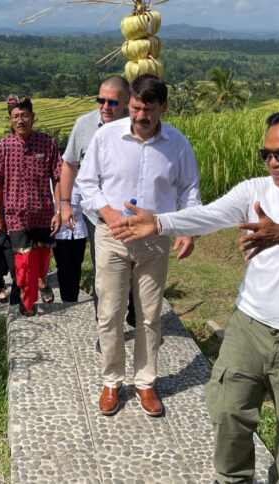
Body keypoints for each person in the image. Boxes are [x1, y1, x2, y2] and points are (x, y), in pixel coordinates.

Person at [109, 108, 279, 483]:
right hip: (249, 326)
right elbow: (211, 216)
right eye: (266, 155)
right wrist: (161, 222)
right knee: (228, 412)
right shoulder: (255, 190)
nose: (273, 163)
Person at [77, 74, 200, 417]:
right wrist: (107, 210)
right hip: (112, 236)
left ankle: (146, 382)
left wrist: (186, 229)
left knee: (149, 315)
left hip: (154, 239)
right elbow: (87, 183)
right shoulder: (106, 137)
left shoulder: (178, 144)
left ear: (163, 107)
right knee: (111, 312)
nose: (140, 116)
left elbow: (189, 190)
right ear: (128, 103)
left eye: (148, 109)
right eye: (134, 108)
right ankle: (112, 381)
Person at [60, 75, 139, 332]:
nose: (105, 107)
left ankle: (135, 313)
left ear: (126, 102)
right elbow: (70, 164)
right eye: (100, 100)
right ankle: (105, 325)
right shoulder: (84, 126)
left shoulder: (140, 125)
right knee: (103, 270)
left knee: (136, 267)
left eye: (112, 102)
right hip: (98, 216)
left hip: (134, 213)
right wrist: (64, 203)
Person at [0, 95, 62, 317]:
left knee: (41, 263)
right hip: (15, 214)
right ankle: (27, 302)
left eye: (25, 116)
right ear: (10, 120)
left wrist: (59, 210)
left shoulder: (48, 143)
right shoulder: (1, 147)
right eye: (16, 117)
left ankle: (36, 285)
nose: (21, 121)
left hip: (44, 213)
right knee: (24, 261)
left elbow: (57, 177)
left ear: (33, 117)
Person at [52, 185, 88, 303]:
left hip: (79, 231)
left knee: (77, 265)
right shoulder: (53, 184)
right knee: (63, 266)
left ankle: (73, 297)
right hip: (60, 232)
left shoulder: (80, 182)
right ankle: (66, 298)